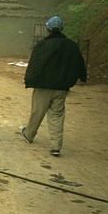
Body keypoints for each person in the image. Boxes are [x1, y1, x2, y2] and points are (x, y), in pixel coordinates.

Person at [22, 16, 87, 156]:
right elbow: (79, 63)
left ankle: (29, 134)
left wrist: (29, 80)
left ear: (48, 29)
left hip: (43, 86)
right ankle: (56, 146)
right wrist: (82, 77)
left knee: (37, 111)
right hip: (61, 87)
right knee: (57, 115)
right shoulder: (71, 45)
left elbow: (35, 64)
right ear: (62, 29)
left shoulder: (42, 45)